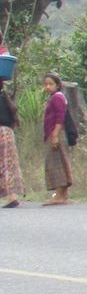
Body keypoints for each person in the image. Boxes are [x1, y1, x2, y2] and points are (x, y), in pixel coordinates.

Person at [40, 73, 72, 206]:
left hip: (56, 133)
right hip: (55, 133)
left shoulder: (57, 97)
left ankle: (59, 196)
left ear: (57, 85)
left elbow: (60, 117)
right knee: (60, 162)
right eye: (45, 84)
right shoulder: (55, 98)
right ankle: (63, 195)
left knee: (56, 164)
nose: (48, 87)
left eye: (50, 84)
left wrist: (54, 135)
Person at [0, 79, 22, 207]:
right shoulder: (5, 98)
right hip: (8, 133)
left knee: (4, 165)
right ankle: (12, 195)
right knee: (8, 164)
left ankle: (11, 197)